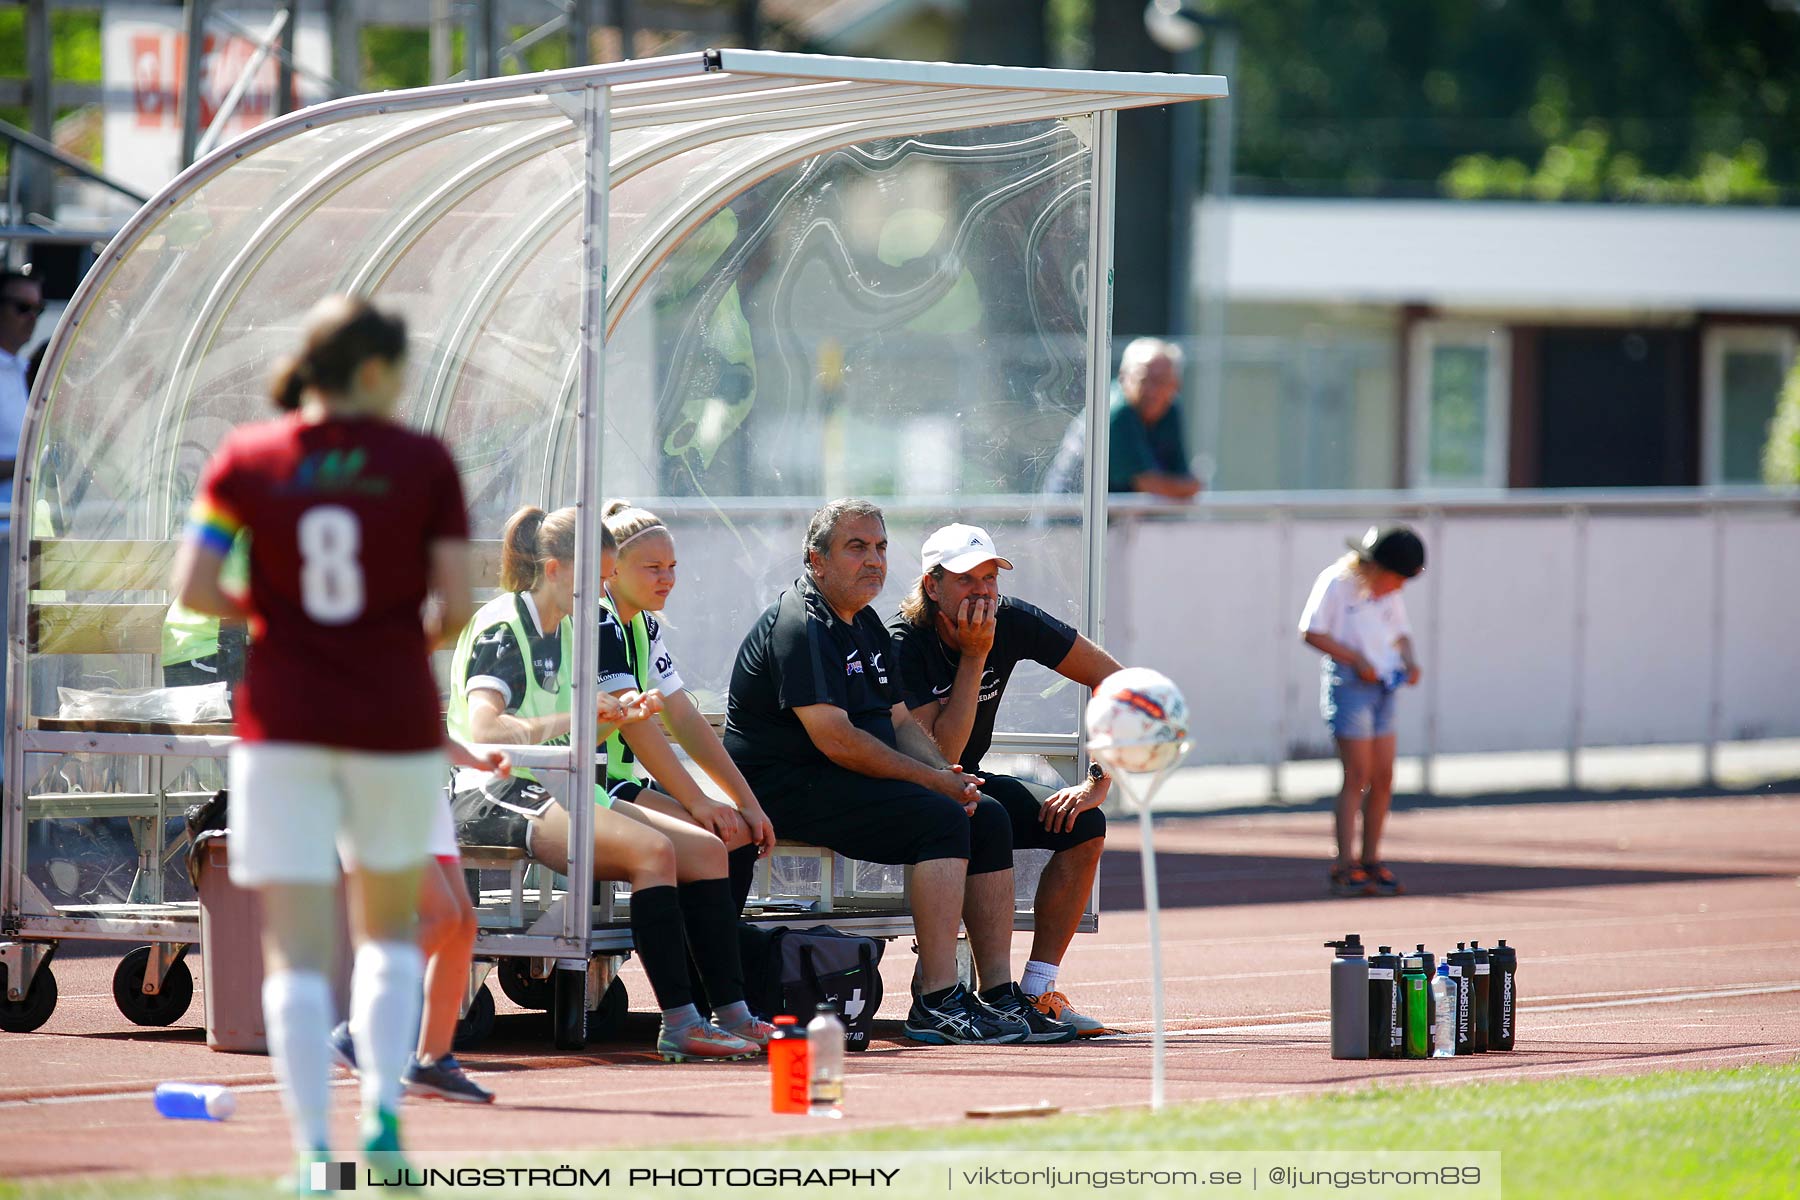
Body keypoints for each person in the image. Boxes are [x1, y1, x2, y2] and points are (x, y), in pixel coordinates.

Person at [169, 295, 505, 1179]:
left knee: (296, 944)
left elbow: (195, 587)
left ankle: (315, 1152)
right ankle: (383, 1125)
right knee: (390, 931)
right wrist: (382, 633)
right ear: (375, 371)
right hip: (389, 720)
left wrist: (286, 617)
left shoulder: (245, 457)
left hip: (283, 723)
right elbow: (456, 609)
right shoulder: (424, 462)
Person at [722, 498, 1074, 1045]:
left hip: (837, 780)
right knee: (940, 819)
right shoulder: (803, 624)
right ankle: (936, 1000)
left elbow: (898, 721)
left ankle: (999, 995)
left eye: (881, 548)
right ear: (816, 560)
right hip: (783, 788)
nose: (873, 561)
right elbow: (838, 741)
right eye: (856, 548)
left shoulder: (863, 623)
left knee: (983, 814)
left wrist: (948, 771)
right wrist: (932, 782)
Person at [445, 503, 773, 1061]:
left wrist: (613, 714)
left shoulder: (571, 627)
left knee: (709, 854)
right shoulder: (507, 623)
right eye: (594, 578)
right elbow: (485, 728)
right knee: (654, 853)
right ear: (554, 570)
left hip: (565, 782)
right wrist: (577, 720)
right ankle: (680, 1023)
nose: (600, 591)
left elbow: (594, 728)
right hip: (492, 789)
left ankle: (732, 1012)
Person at [888, 522, 1121, 1036]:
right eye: (968, 579)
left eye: (991, 576)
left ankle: (1036, 992)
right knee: (982, 812)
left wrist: (1099, 774)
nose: (984, 591)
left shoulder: (1009, 618)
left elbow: (1117, 681)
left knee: (1085, 824)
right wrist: (975, 656)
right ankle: (953, 992)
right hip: (914, 786)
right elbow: (939, 757)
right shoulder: (905, 642)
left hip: (968, 783)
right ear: (933, 586)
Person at [598, 499, 775, 916]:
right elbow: (637, 728)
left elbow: (683, 717)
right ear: (614, 568)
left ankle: (713, 959)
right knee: (716, 839)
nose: (668, 579)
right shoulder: (600, 621)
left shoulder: (643, 623)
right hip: (595, 785)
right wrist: (697, 802)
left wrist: (747, 802)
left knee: (738, 830)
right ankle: (702, 964)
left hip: (620, 784)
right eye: (653, 568)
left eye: (672, 566)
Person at [1298, 524, 1427, 898]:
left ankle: (1372, 858)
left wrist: (1410, 661)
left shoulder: (1389, 593)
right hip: (1351, 685)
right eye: (1395, 578)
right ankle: (1344, 864)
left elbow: (1400, 633)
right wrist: (1354, 659)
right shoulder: (1338, 583)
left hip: (1384, 686)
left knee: (1384, 775)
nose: (1398, 587)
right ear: (1376, 568)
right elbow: (1311, 631)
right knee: (1357, 773)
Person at [1039, 337, 1202, 500]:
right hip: (1071, 519)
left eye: (1162, 381)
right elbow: (1149, 485)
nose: (1153, 391)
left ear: (1175, 384)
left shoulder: (1170, 409)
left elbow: (1180, 475)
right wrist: (1186, 488)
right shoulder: (1115, 412)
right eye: (1144, 380)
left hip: (1122, 518)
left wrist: (1184, 487)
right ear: (1124, 377)